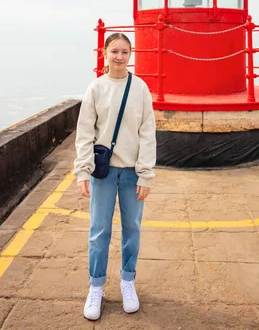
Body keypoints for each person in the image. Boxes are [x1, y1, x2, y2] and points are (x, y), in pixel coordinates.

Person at [73, 32, 156, 321]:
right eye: (114, 52)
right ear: (105, 54)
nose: (119, 57)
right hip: (103, 172)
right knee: (99, 231)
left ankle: (127, 281)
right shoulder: (96, 88)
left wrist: (146, 174)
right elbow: (85, 132)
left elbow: (147, 132)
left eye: (124, 52)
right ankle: (96, 287)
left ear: (130, 54)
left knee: (132, 229)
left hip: (133, 172)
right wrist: (82, 170)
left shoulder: (140, 88)